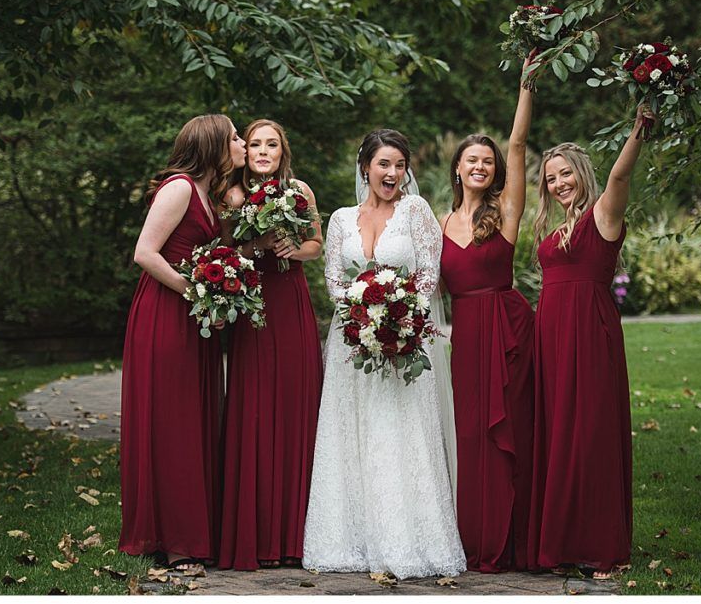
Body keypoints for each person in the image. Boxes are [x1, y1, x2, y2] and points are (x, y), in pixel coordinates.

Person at [302, 129, 465, 579]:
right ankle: (347, 539)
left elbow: (430, 275)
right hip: (350, 341)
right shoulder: (339, 219)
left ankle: (409, 540)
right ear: (365, 168)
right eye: (383, 165)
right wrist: (361, 316)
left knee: (400, 431)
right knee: (352, 432)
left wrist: (397, 317)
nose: (392, 174)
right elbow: (334, 280)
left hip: (406, 339)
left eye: (399, 165)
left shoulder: (415, 211)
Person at [529, 102, 654, 579]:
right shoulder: (555, 227)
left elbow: (620, 178)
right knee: (561, 434)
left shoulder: (603, 214)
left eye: (566, 175)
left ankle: (603, 547)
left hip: (590, 331)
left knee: (593, 433)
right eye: (551, 178)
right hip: (553, 335)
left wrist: (638, 130)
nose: (559, 184)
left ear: (582, 174)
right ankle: (563, 541)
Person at [118, 114, 247, 567]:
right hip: (165, 316)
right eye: (234, 136)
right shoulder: (179, 189)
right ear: (213, 144)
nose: (242, 141)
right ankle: (170, 539)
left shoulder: (212, 196)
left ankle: (191, 532)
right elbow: (144, 253)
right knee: (173, 421)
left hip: (196, 320)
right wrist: (194, 290)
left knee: (194, 420)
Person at [439, 55, 536, 572]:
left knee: (509, 435)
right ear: (457, 167)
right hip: (465, 338)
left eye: (488, 161)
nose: (480, 166)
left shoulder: (507, 211)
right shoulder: (437, 222)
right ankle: (471, 537)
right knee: (470, 436)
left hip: (507, 328)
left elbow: (518, 144)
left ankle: (512, 541)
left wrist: (527, 81)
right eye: (471, 160)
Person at [218, 119, 324, 570]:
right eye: (256, 143)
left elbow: (316, 243)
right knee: (256, 408)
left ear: (283, 150)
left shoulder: (300, 189)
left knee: (296, 405)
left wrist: (293, 249)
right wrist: (257, 243)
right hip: (256, 306)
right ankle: (257, 534)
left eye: (272, 144)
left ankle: (297, 536)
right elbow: (224, 254)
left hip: (292, 301)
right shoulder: (233, 196)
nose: (262, 151)